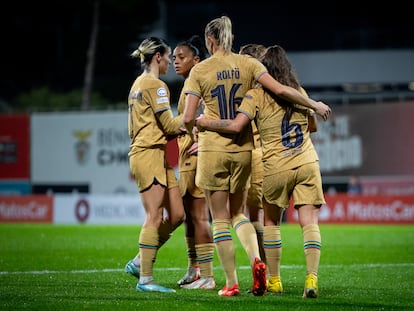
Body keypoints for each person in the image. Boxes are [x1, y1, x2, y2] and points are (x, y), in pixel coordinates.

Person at [182, 16, 331, 297]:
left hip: (239, 154)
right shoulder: (271, 77)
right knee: (258, 216)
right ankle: (298, 275)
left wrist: (198, 129)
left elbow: (202, 119)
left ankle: (242, 281)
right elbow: (294, 104)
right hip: (279, 156)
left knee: (234, 219)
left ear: (209, 40)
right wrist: (314, 104)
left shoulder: (209, 74)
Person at [124, 36, 186, 293]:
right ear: (157, 57)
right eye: (169, 56)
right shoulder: (156, 85)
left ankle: (140, 260)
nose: (171, 62)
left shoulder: (138, 84)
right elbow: (171, 126)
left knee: (177, 215)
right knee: (154, 216)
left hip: (155, 154)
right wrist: (194, 115)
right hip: (148, 153)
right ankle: (145, 279)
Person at [173, 35, 216, 290]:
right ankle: (194, 269)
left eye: (182, 57)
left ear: (196, 60)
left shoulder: (197, 83)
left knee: (199, 216)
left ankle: (207, 276)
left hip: (195, 157)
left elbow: (200, 119)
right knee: (190, 216)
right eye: (175, 57)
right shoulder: (188, 83)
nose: (176, 61)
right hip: (186, 156)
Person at [238, 43, 267, 264]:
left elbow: (237, 125)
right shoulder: (276, 88)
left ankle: (264, 270)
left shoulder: (253, 93)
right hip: (272, 154)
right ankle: (268, 272)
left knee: (251, 214)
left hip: (255, 153)